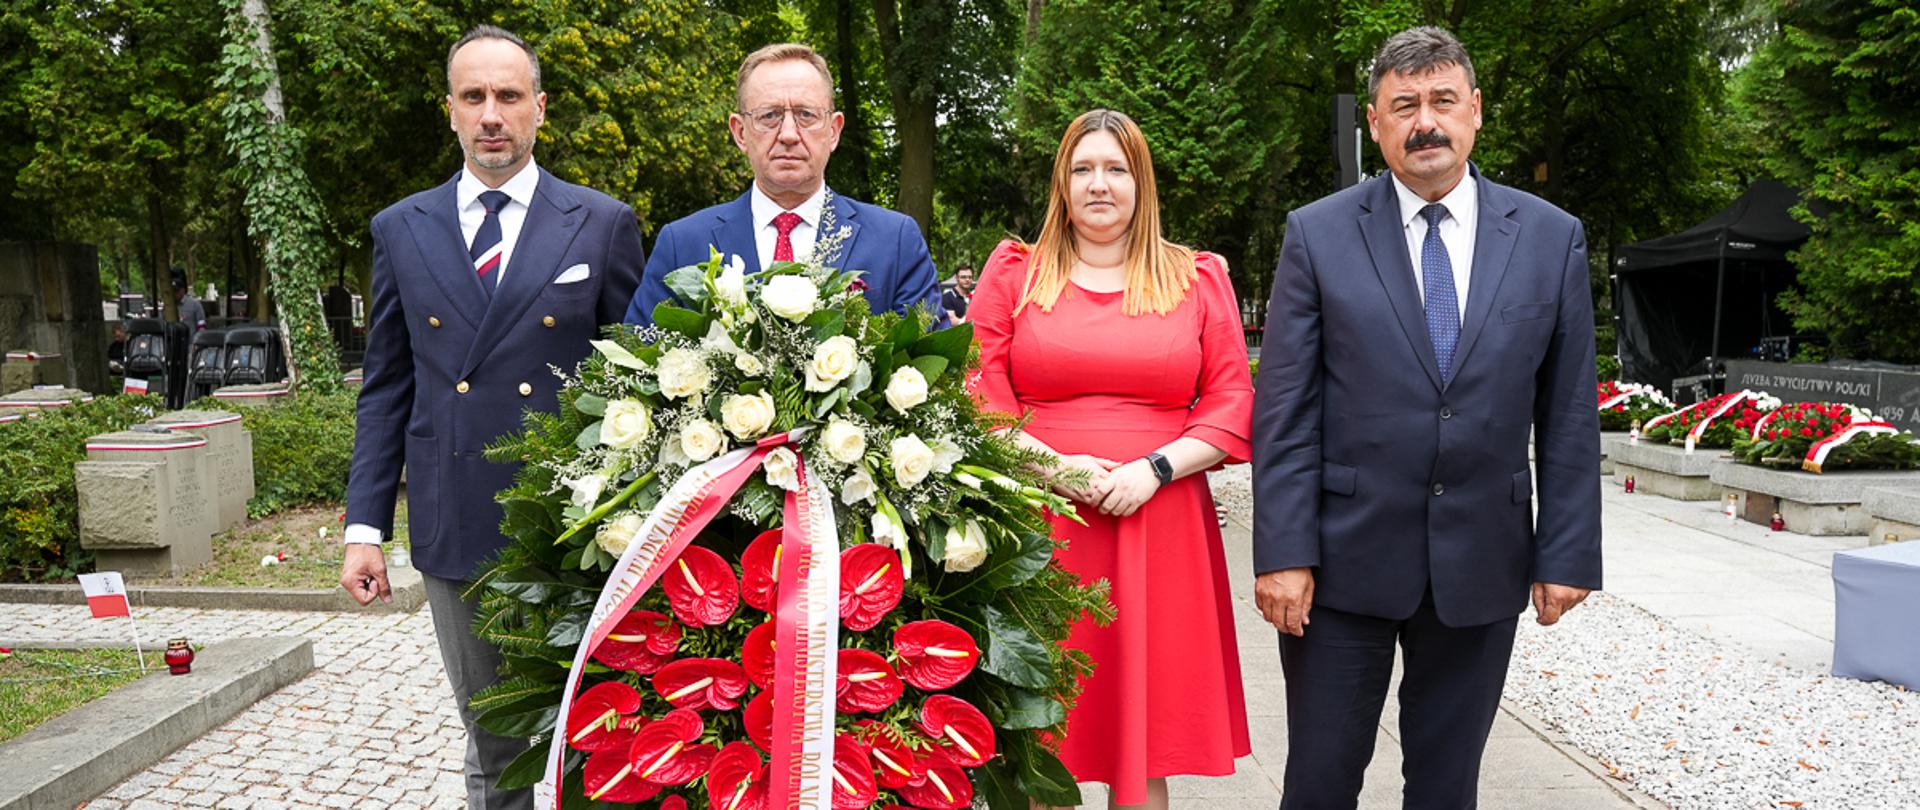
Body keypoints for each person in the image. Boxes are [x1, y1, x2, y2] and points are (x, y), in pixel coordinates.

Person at [1251, 26, 1602, 808]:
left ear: (1475, 111)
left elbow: (1571, 410)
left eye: (1443, 100)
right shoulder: (1318, 233)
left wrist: (1568, 552)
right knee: (1318, 780)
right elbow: (1284, 409)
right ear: (1375, 125)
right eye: (1403, 105)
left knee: (1447, 787)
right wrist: (1281, 552)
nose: (1426, 122)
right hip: (1340, 568)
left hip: (1484, 560)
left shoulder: (1551, 238)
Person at [338, 25, 644, 810]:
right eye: (473, 97)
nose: (491, 114)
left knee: (590, 728)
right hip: (458, 518)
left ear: (540, 109)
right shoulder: (400, 228)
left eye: (508, 96)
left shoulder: (602, 223)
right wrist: (364, 530)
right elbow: (387, 387)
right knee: (496, 739)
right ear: (449, 111)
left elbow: (638, 384)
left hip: (574, 525)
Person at [971, 109, 1253, 809]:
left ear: (1141, 182)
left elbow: (1231, 400)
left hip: (1158, 521)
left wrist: (1153, 470)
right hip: (1043, 521)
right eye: (1084, 168)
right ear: (1062, 183)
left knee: (1144, 743)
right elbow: (977, 393)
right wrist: (1058, 468)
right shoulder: (1016, 274)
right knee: (1042, 736)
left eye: (1116, 169)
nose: (1100, 185)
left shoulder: (1196, 278)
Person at [623, 43, 941, 327]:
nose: (788, 133)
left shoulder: (895, 242)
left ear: (834, 130)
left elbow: (930, 374)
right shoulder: (682, 244)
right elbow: (636, 368)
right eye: (769, 115)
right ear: (740, 132)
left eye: (806, 114)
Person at [171, 272, 207, 337]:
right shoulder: (169, 306)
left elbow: (202, 325)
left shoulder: (194, 304)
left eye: (176, 291)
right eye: (172, 291)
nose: (174, 293)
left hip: (190, 344)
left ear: (183, 290)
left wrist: (198, 342)